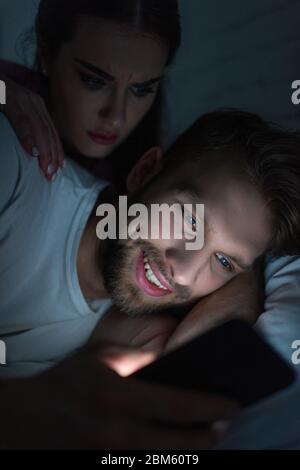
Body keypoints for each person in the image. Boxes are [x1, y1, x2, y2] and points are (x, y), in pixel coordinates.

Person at [1, 108, 300, 448]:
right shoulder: (15, 174)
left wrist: (246, 268)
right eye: (189, 221)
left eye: (222, 261)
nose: (183, 270)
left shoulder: (131, 330)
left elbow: (182, 391)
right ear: (144, 173)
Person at [0, 0, 181, 187]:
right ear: (45, 53)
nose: (116, 118)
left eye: (142, 90)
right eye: (94, 81)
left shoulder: (148, 187)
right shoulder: (6, 89)